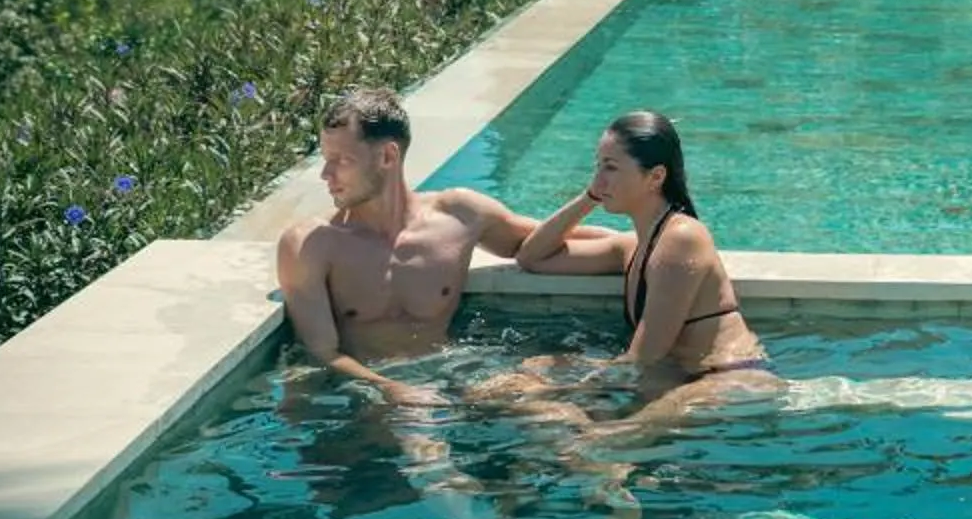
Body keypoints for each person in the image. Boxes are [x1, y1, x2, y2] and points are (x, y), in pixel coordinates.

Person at [276, 84, 597, 403]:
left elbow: (541, 239)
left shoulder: (458, 214)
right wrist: (390, 388)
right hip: (372, 394)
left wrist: (610, 219)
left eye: (341, 160)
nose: (325, 173)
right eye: (326, 159)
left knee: (555, 413)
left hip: (453, 373)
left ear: (388, 156)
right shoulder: (310, 245)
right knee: (418, 434)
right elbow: (322, 354)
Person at [512, 109, 769, 400]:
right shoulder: (634, 245)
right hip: (680, 377)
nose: (598, 180)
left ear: (656, 176)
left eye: (610, 168)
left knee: (553, 414)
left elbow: (645, 356)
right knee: (531, 371)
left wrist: (557, 390)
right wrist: (590, 197)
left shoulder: (682, 239)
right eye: (598, 166)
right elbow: (533, 257)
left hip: (730, 381)